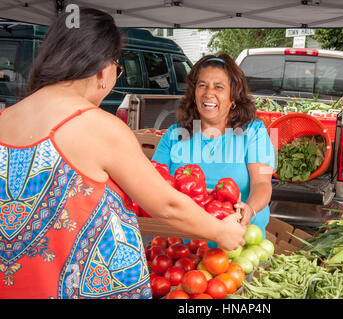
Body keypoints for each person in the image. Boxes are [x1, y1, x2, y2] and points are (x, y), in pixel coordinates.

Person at [0, 8, 245, 299]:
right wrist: (221, 232)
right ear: (103, 70)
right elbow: (167, 205)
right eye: (117, 70)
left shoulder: (5, 118)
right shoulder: (98, 126)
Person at [152, 53, 275, 247]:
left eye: (219, 87)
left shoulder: (254, 132)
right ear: (194, 92)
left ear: (233, 96)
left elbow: (262, 183)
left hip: (239, 242)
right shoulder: (174, 135)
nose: (209, 93)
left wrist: (249, 209)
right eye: (202, 85)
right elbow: (153, 183)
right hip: (182, 248)